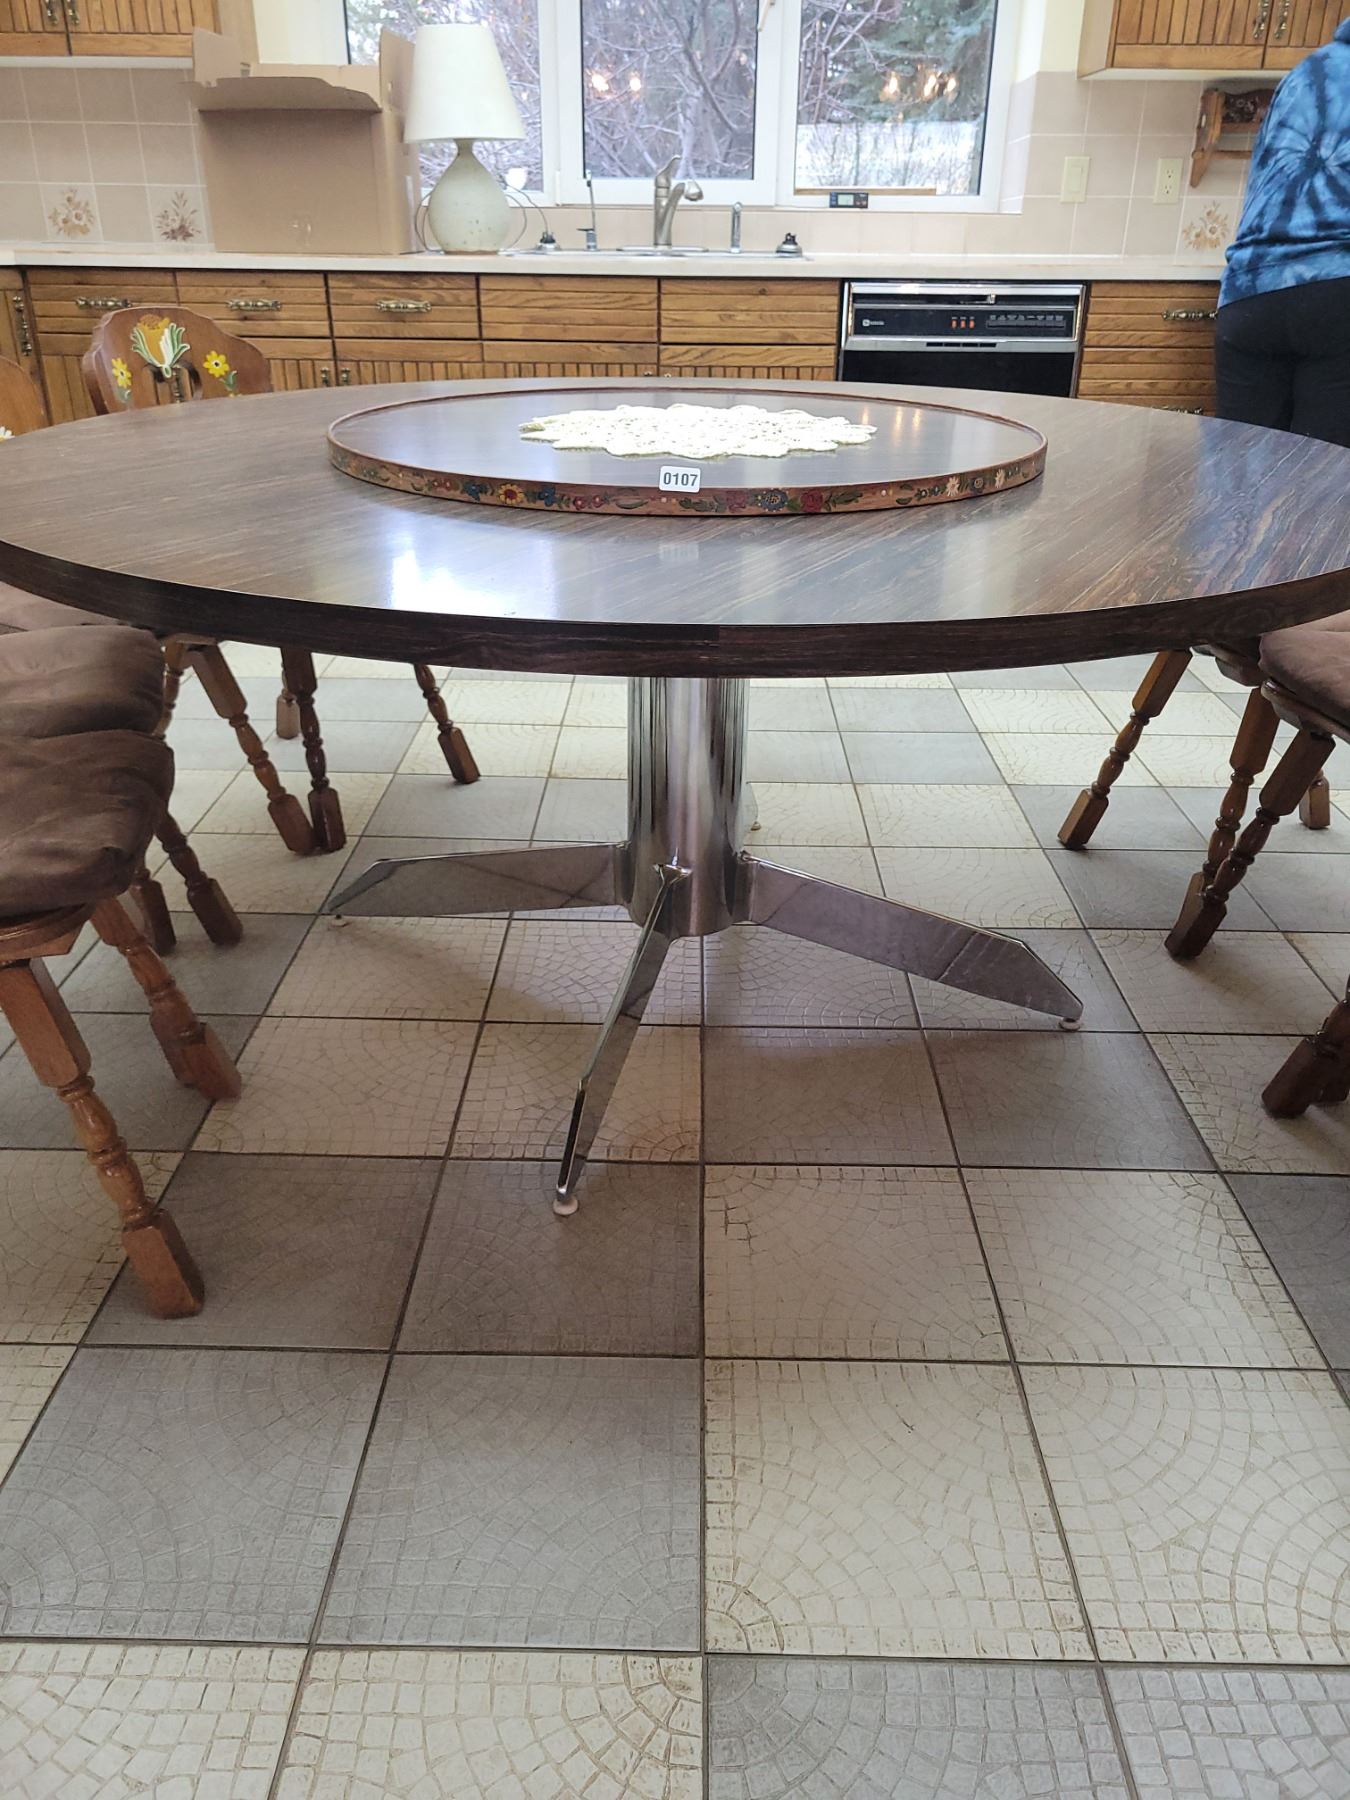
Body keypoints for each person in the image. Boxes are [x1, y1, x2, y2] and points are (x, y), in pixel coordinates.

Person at [1215, 18, 1350, 448]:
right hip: (1338, 293)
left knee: (1236, 467)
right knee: (1320, 471)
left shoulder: (1308, 70)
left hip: (1250, 292)